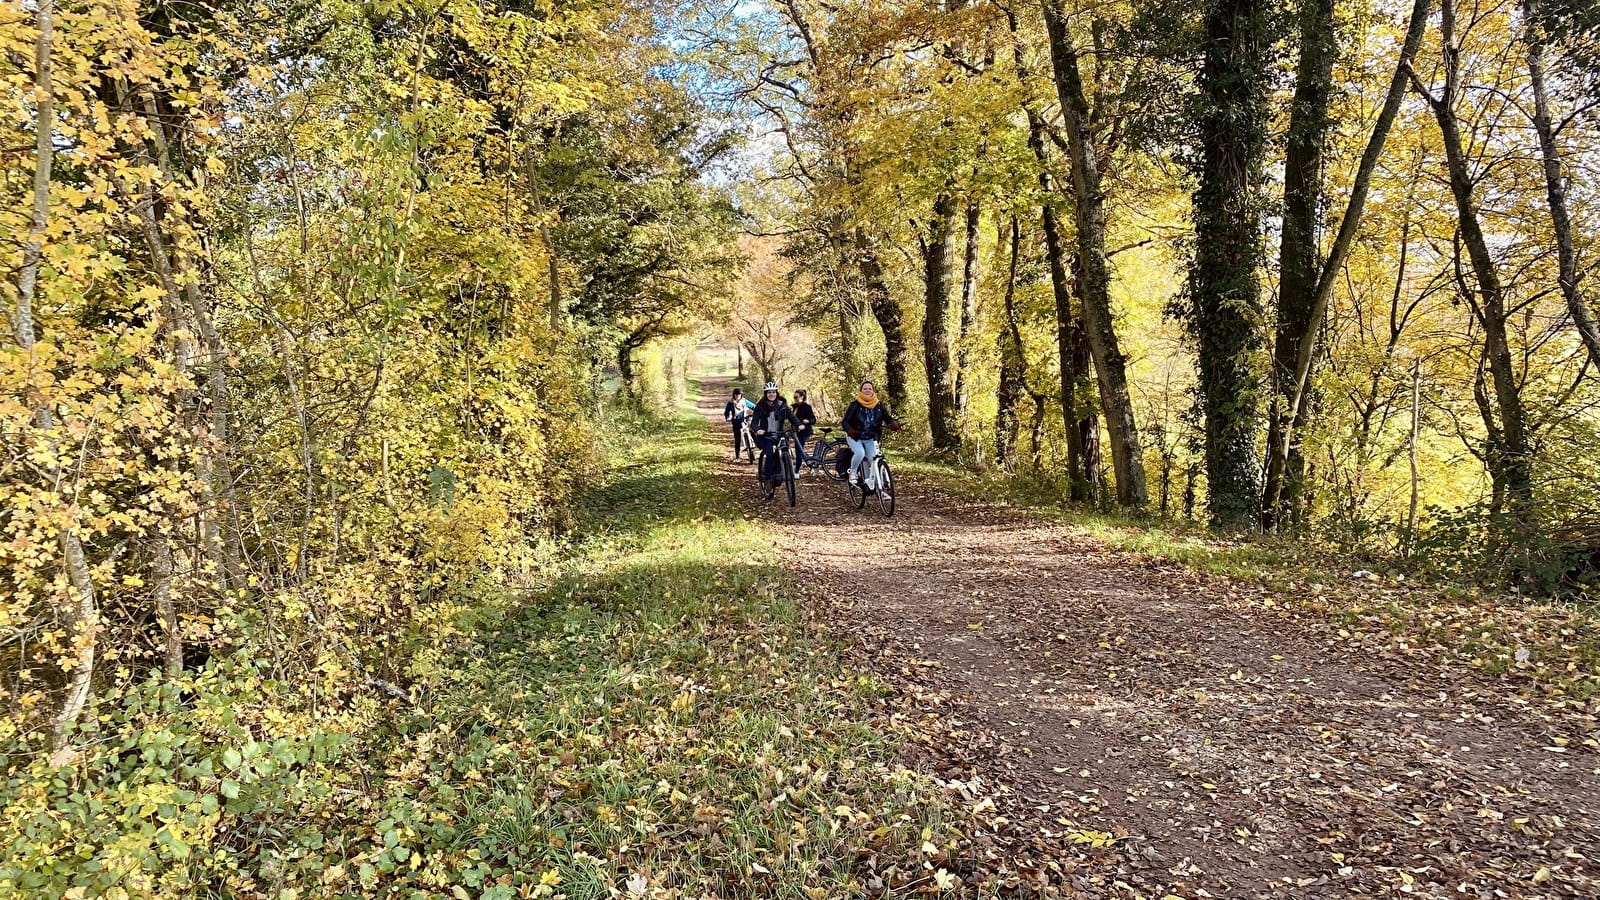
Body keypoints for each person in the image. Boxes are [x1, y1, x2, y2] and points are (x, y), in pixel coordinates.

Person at [841, 380, 898, 497]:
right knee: (860, 453)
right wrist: (850, 430)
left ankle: (877, 487)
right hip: (855, 436)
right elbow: (845, 421)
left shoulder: (879, 405)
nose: (867, 390)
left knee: (874, 460)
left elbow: (887, 418)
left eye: (870, 389)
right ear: (861, 391)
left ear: (873, 391)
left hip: (870, 437)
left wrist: (892, 424)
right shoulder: (855, 405)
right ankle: (853, 473)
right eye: (865, 389)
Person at [751, 381, 799, 491]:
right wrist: (758, 429)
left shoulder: (781, 405)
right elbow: (754, 423)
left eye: (773, 392)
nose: (771, 394)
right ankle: (768, 479)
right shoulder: (760, 406)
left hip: (779, 435)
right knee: (769, 454)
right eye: (769, 392)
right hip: (765, 436)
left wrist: (799, 424)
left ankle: (785, 473)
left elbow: (791, 416)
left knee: (785, 451)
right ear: (765, 394)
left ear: (776, 393)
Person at [723, 388, 754, 460]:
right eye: (736, 394)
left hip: (745, 419)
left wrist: (757, 413)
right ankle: (737, 456)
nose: (737, 396)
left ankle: (752, 445)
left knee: (752, 431)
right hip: (736, 421)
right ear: (733, 395)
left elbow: (753, 406)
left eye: (739, 394)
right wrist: (727, 417)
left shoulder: (745, 401)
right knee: (737, 439)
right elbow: (726, 412)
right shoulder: (730, 403)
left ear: (741, 395)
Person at [791, 389, 816, 471]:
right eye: (794, 397)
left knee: (799, 451)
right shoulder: (794, 407)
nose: (795, 399)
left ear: (802, 397)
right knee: (799, 450)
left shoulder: (807, 407)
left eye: (796, 397)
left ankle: (796, 471)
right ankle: (811, 462)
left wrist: (807, 421)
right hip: (795, 432)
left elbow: (813, 419)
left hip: (804, 432)